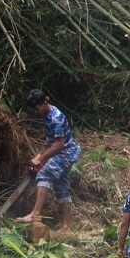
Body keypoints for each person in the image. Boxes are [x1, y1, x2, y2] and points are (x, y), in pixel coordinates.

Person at [15, 89, 81, 238]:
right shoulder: (46, 115)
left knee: (44, 174)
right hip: (61, 152)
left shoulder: (55, 117)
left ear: (46, 100)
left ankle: (35, 213)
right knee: (62, 187)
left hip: (65, 152)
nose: (37, 111)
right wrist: (42, 157)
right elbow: (52, 143)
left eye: (38, 108)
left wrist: (40, 159)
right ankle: (66, 228)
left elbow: (59, 145)